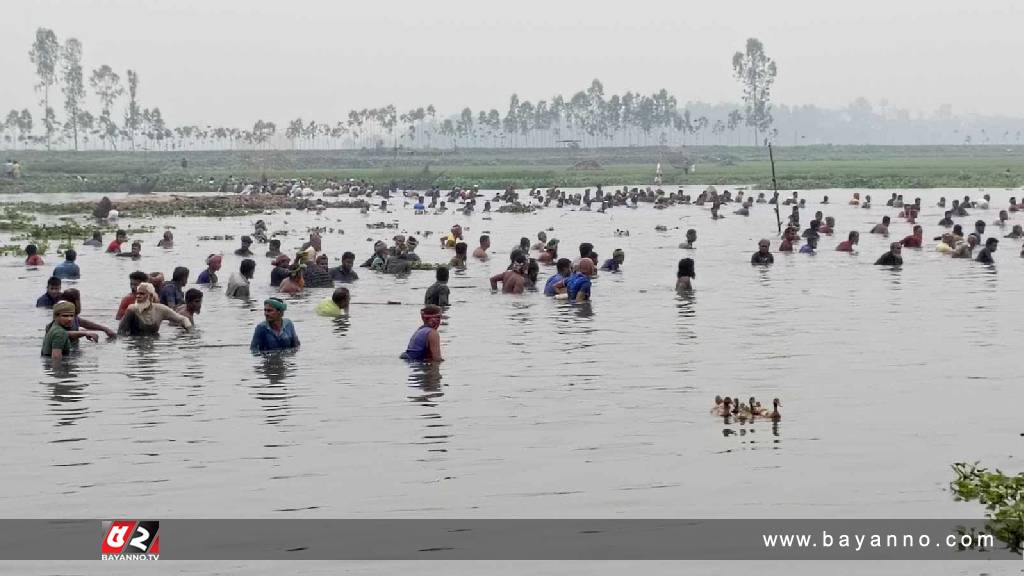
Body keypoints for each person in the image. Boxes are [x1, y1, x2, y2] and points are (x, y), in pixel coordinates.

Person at [118, 282, 193, 335]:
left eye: (142, 294)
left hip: (154, 345)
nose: (138, 296)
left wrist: (191, 333)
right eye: (137, 293)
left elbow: (183, 319)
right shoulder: (132, 309)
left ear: (150, 296)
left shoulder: (160, 309)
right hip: (136, 346)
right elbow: (121, 332)